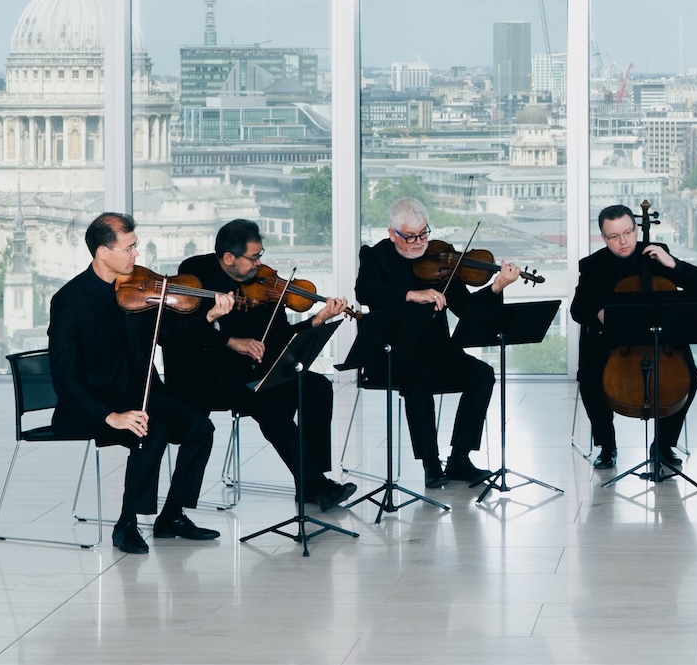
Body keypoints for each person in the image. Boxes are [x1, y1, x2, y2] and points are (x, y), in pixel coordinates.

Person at [46, 211, 229, 554]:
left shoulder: (139, 289)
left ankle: (172, 516)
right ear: (103, 252)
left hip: (141, 394)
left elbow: (172, 335)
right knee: (153, 430)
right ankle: (126, 524)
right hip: (95, 404)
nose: (136, 255)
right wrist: (111, 417)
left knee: (200, 428)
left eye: (135, 246)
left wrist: (209, 315)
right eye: (129, 248)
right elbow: (65, 380)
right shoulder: (70, 301)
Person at [165, 218, 358, 512]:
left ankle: (311, 482)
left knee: (317, 387)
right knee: (267, 401)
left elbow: (280, 338)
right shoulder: (195, 275)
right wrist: (230, 340)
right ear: (229, 258)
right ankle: (316, 484)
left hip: (253, 371)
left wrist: (317, 321)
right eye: (253, 257)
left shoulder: (264, 287)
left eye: (260, 255)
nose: (259, 264)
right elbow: (182, 335)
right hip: (208, 375)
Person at [345, 196, 521, 488]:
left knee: (482, 374)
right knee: (418, 377)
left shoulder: (441, 258)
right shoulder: (376, 256)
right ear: (392, 234)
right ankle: (430, 464)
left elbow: (466, 310)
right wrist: (412, 294)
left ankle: (459, 459)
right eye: (410, 236)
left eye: (423, 233)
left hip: (440, 351)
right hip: (393, 355)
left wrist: (497, 287)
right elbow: (366, 292)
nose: (418, 242)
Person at [573, 204, 697, 470]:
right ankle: (607, 446)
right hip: (614, 342)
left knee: (691, 376)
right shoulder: (594, 266)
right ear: (604, 237)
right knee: (588, 377)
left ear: (637, 229)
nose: (623, 241)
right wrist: (599, 314)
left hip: (661, 340)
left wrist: (673, 264)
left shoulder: (656, 254)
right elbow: (578, 309)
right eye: (614, 236)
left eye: (628, 233)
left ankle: (663, 444)